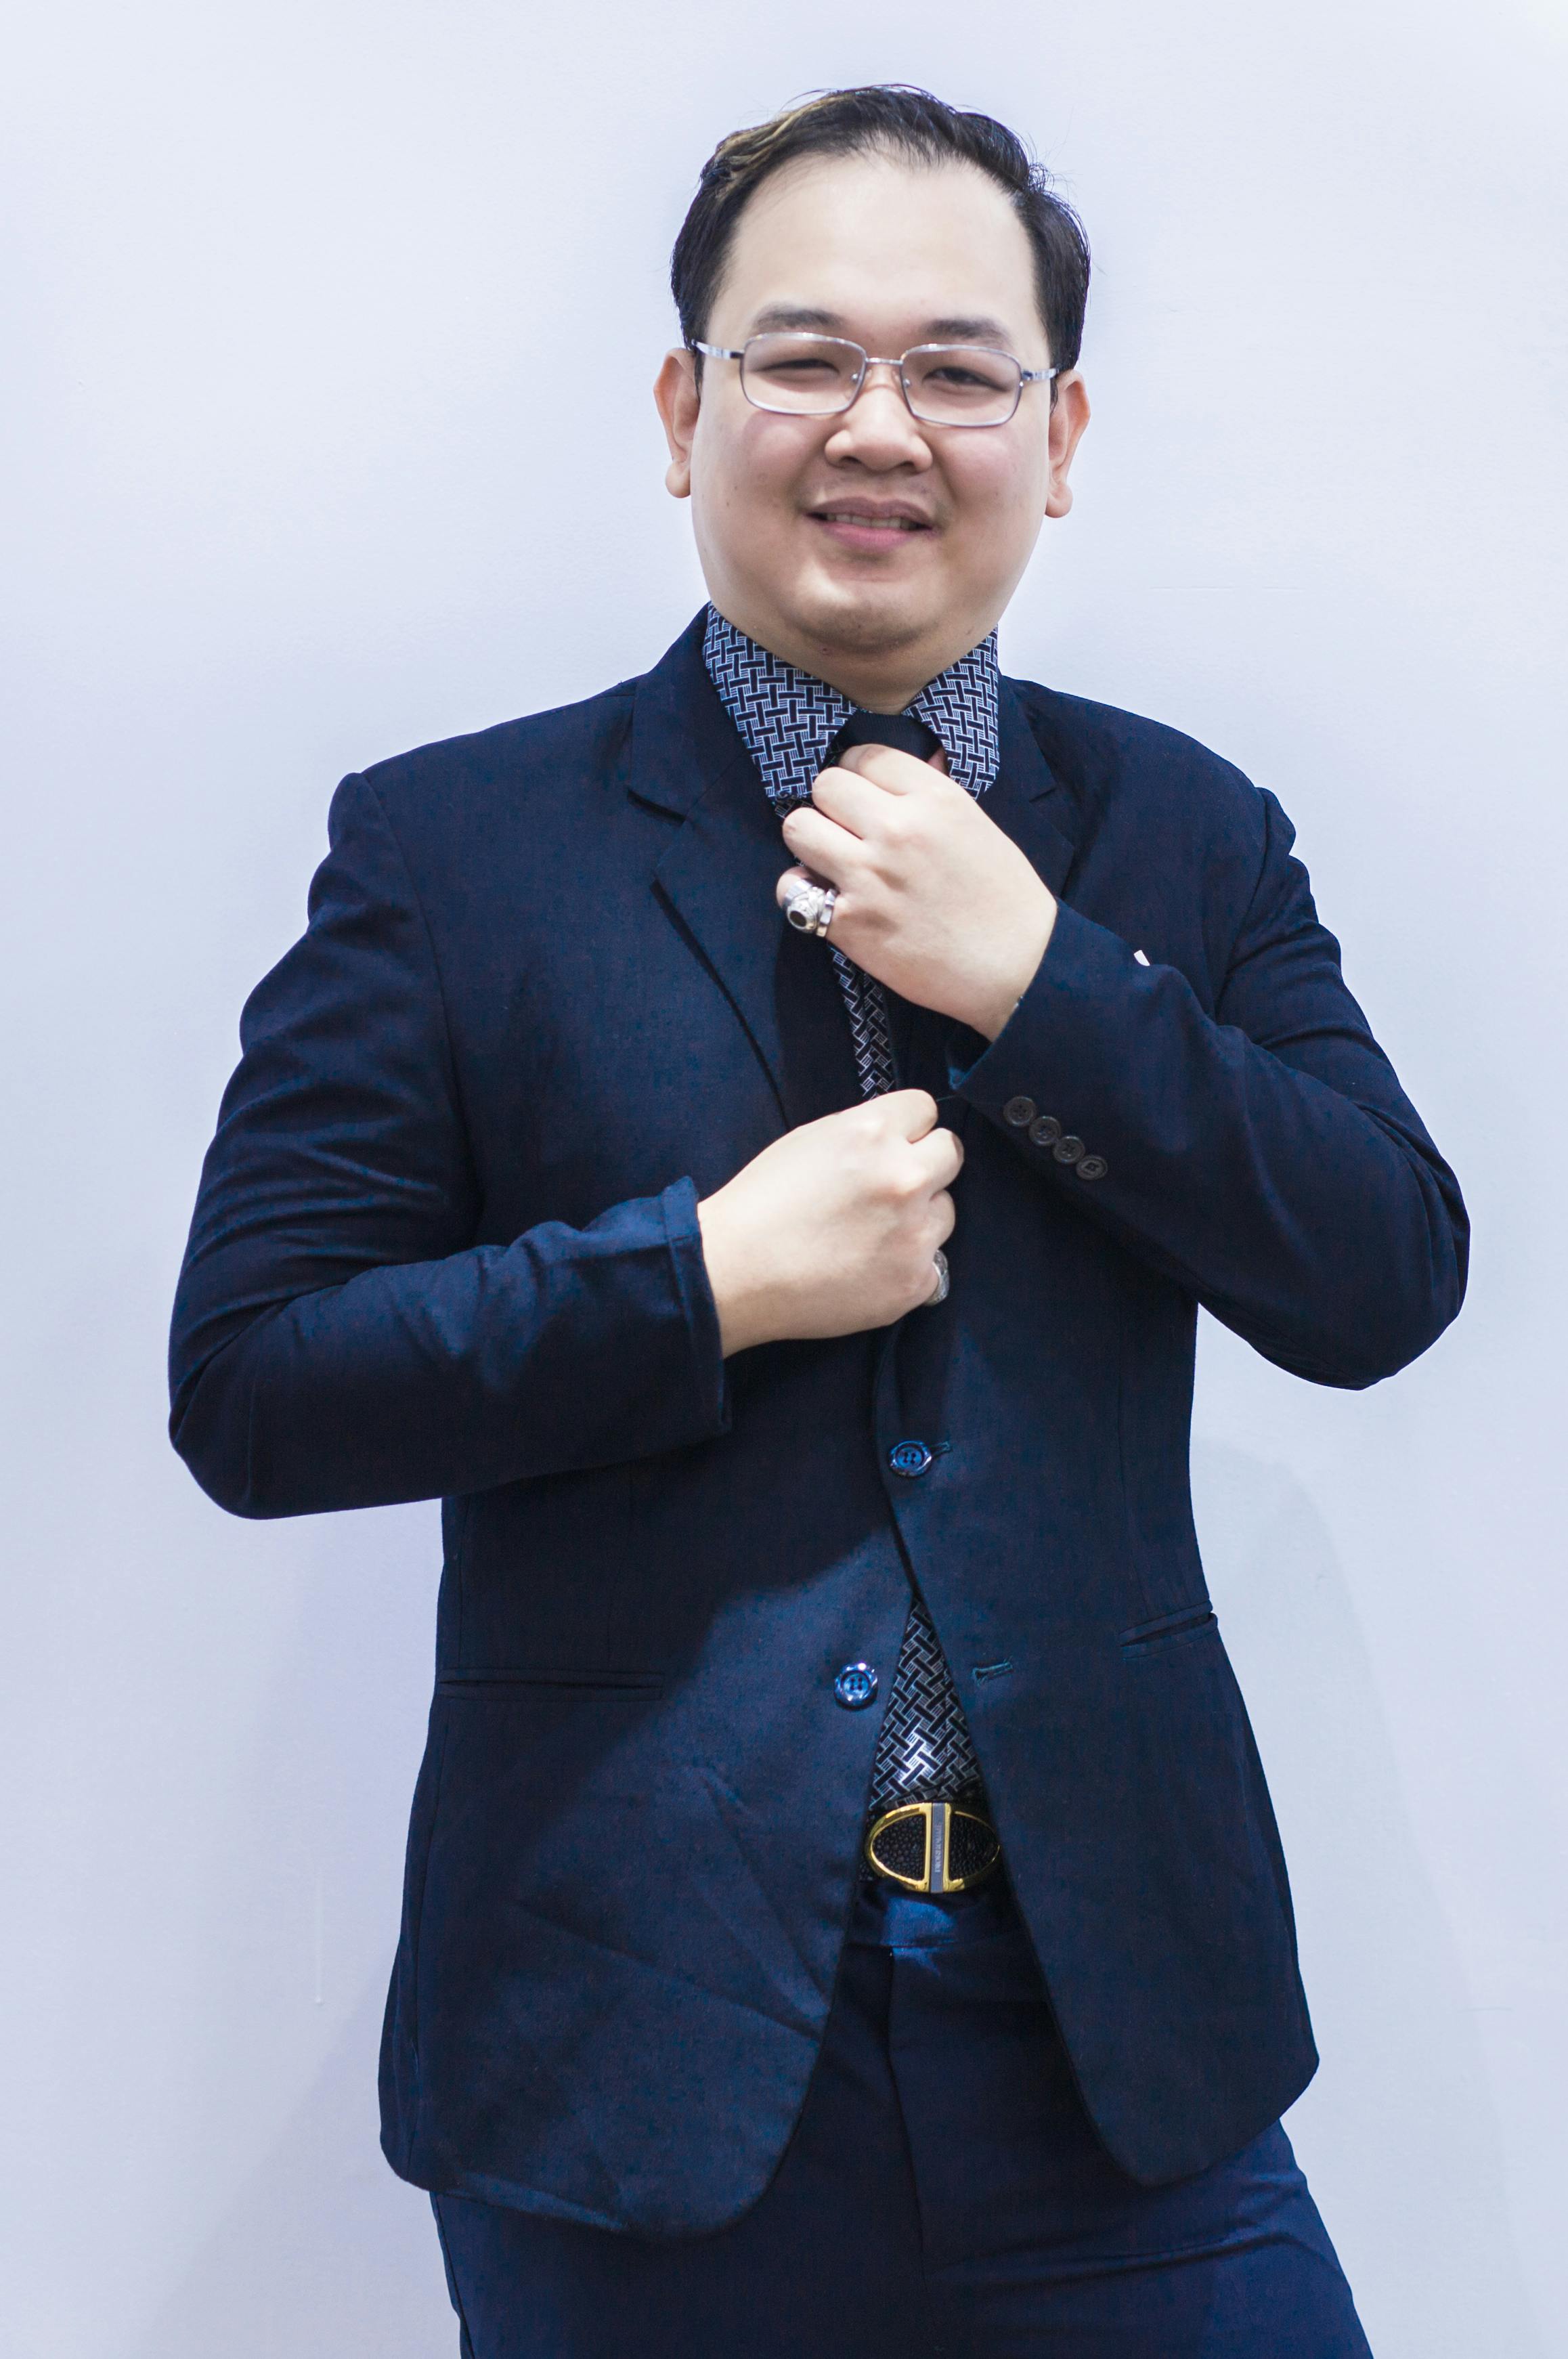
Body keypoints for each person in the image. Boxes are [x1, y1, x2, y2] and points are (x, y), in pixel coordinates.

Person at [169, 85, 1466, 2358]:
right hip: (627, 2044)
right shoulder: (451, 850)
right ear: (686, 409)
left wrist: (1041, 982)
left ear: (1054, 438)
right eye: (801, 358)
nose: (879, 425)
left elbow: (1379, 1276)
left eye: (957, 370)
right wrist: (697, 1284)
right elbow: (258, 1380)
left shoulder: (1180, 830)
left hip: (1118, 2056)